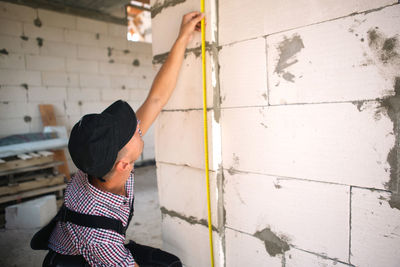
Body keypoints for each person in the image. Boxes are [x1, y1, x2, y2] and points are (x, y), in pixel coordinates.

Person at [32, 11, 205, 267]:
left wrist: (183, 37)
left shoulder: (99, 166)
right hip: (73, 260)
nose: (138, 126)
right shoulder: (101, 239)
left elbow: (156, 99)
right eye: (132, 131)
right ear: (124, 165)